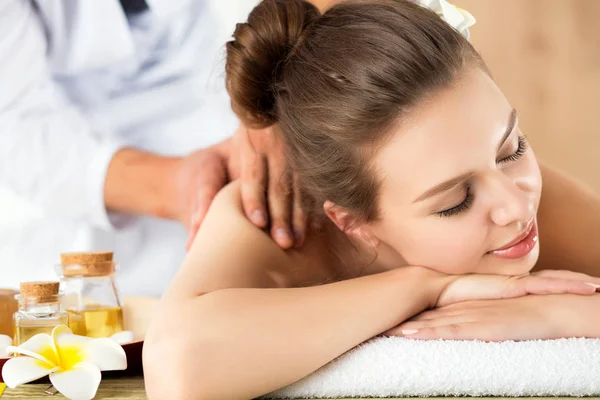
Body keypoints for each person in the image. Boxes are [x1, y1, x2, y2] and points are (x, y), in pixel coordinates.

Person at [142, 0, 600, 398]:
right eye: (456, 200)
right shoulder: (277, 226)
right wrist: (429, 288)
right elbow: (178, 367)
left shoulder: (528, 196)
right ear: (352, 222)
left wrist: (554, 312)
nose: (517, 206)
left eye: (512, 148)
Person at [0, 0, 309, 296]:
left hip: (205, 106)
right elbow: (16, 124)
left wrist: (275, 98)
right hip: (61, 189)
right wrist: (180, 187)